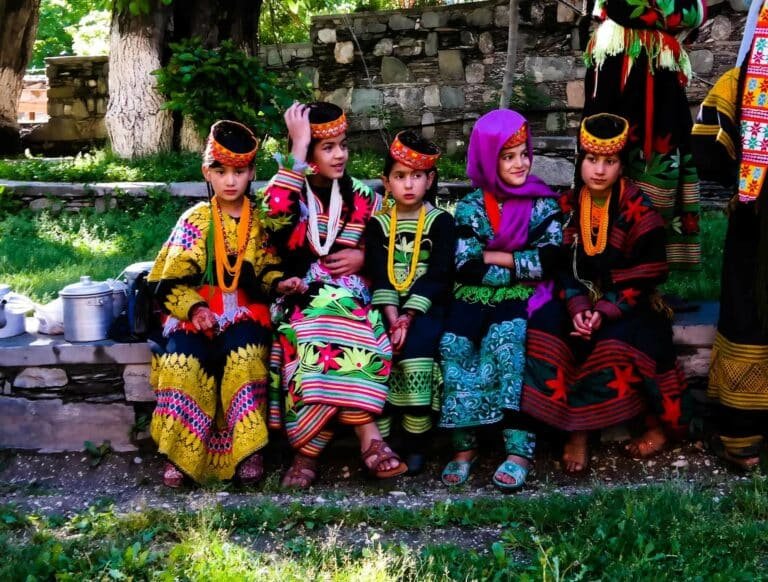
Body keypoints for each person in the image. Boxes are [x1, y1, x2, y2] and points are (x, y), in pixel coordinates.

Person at [521, 113, 689, 474]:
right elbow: (560, 267)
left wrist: (604, 312)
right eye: (592, 160)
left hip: (631, 302)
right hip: (576, 299)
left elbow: (649, 274)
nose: (599, 170)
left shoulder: (638, 209)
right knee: (543, 331)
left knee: (614, 345)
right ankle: (576, 429)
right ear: (581, 161)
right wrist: (580, 307)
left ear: (620, 165)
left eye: (609, 161)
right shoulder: (566, 207)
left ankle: (655, 426)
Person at [147, 120, 303, 487]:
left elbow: (267, 271)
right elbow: (167, 280)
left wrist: (282, 282)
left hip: (246, 312)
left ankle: (248, 451)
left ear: (251, 173)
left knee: (245, 356)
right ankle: (180, 455)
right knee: (183, 361)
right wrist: (197, 310)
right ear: (207, 172)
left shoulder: (260, 221)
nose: (230, 180)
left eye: (239, 172)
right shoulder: (195, 220)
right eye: (221, 172)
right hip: (194, 314)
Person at [266, 102, 406, 488]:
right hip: (301, 297)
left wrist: (364, 256)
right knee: (316, 328)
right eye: (327, 147)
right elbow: (274, 216)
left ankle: (307, 453)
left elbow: (389, 243)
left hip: (356, 298)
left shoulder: (363, 197)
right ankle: (371, 440)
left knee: (353, 322)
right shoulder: (290, 189)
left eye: (342, 145)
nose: (340, 154)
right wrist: (296, 149)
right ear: (307, 152)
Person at [438, 110, 562, 490]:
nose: (520, 163)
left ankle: (518, 449)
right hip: (472, 297)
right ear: (489, 159)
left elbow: (551, 260)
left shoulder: (543, 203)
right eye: (508, 157)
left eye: (524, 153)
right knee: (454, 344)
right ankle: (464, 448)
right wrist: (520, 262)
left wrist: (495, 258)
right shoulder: (470, 207)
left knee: (509, 341)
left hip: (525, 298)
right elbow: (464, 265)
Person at [691, 0, 768, 470]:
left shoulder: (740, 84)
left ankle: (743, 442)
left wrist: (748, 174)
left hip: (754, 223)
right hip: (755, 227)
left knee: (749, 315)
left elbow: (707, 147)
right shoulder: (740, 84)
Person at [582, 0, 707, 270]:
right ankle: (605, 264)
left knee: (658, 162)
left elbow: (692, 14)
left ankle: (647, 270)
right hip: (623, 66)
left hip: (654, 71)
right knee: (607, 153)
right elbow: (686, 13)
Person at [363, 130, 456, 475]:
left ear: (429, 179)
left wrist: (408, 318)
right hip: (385, 305)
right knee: (378, 349)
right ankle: (385, 441)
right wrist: (392, 319)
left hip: (426, 306)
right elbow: (379, 273)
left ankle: (417, 445)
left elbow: (439, 274)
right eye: (399, 176)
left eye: (416, 176)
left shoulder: (441, 222)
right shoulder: (378, 225)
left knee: (416, 350)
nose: (408, 185)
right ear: (385, 181)